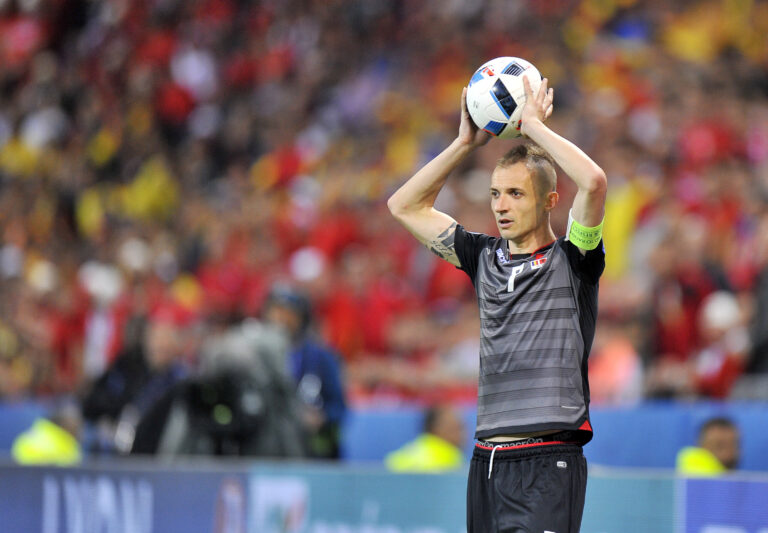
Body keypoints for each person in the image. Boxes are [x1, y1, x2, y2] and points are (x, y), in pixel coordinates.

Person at [388, 75, 607, 533]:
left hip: (549, 459)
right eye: (494, 194)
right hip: (486, 459)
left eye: (515, 193)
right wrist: (463, 144)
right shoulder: (482, 257)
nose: (500, 206)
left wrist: (534, 128)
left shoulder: (575, 260)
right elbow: (403, 206)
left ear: (549, 201)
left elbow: (592, 181)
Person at [263, 284, 347, 459]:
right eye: (275, 311)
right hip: (268, 447)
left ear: (302, 317)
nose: (280, 319)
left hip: (311, 448)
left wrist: (321, 418)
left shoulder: (321, 358)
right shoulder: (256, 357)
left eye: (288, 312)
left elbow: (339, 407)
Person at [385, 404, 466, 473]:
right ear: (435, 429)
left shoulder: (406, 453)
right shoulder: (450, 458)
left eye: (462, 427)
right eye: (456, 427)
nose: (463, 433)